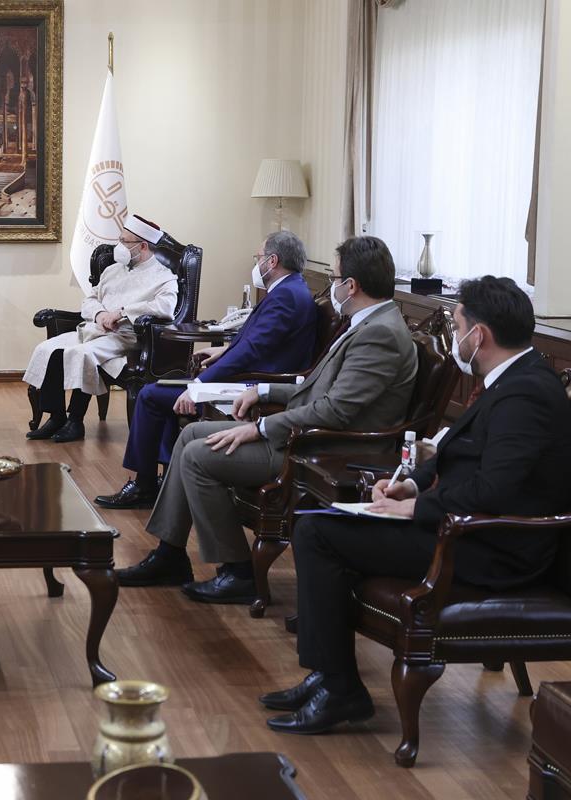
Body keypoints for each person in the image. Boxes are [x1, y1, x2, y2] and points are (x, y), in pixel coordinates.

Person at [263, 276, 571, 734]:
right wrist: (409, 485)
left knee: (318, 533)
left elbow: (494, 489)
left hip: (491, 546)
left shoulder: (528, 394)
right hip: (463, 527)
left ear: (479, 335)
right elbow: (456, 453)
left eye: (458, 326)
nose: (456, 338)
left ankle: (340, 688)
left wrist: (417, 509)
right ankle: (328, 677)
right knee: (316, 523)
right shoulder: (511, 379)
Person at [118, 236, 418, 595]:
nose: (331, 286)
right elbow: (318, 389)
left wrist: (259, 428)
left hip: (327, 449)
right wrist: (262, 392)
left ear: (351, 286)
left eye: (335, 279)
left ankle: (238, 571)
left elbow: (335, 411)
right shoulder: (366, 323)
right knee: (189, 436)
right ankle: (170, 554)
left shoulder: (379, 334)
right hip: (308, 433)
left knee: (197, 456)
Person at [96, 231, 318, 510]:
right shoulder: (291, 289)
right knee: (162, 390)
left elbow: (253, 350)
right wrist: (223, 351)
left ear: (272, 261)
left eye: (258, 257)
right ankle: (165, 480)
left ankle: (145, 485)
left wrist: (198, 385)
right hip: (249, 377)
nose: (256, 262)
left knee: (151, 395)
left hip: (252, 387)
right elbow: (261, 342)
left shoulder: (285, 296)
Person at [22, 214, 180, 443]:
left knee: (81, 354)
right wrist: (100, 314)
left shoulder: (164, 277)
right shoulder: (112, 270)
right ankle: (56, 417)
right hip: (94, 329)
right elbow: (90, 299)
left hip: (125, 336)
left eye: (125, 241)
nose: (119, 246)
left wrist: (122, 312)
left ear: (143, 246)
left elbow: (165, 307)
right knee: (49, 349)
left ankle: (75, 421)